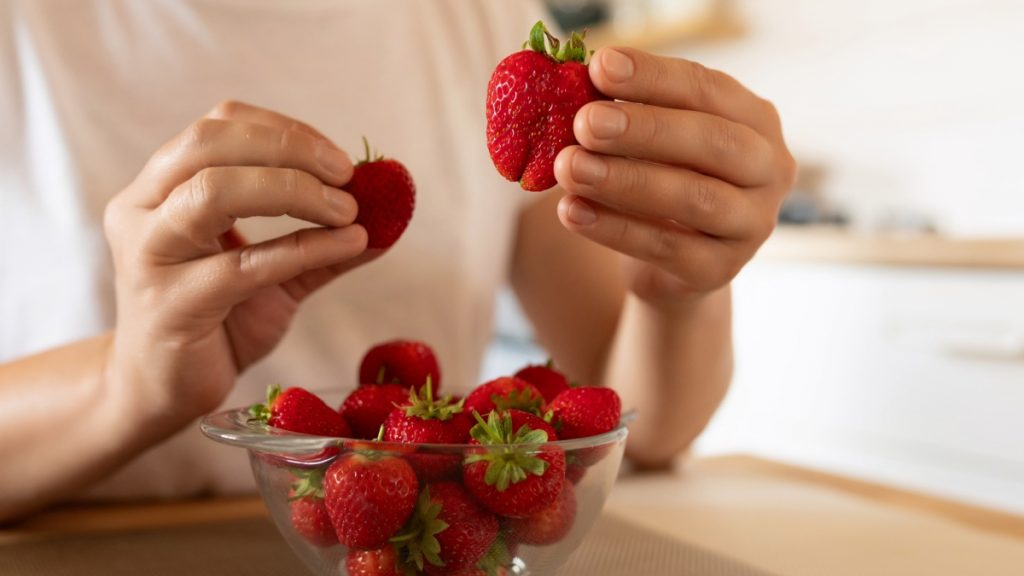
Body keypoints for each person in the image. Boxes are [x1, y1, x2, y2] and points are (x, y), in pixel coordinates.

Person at [0, 0, 795, 522]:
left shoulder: (482, 20)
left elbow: (636, 427)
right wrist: (128, 383)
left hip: (411, 549)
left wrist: (681, 283)